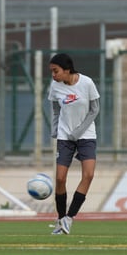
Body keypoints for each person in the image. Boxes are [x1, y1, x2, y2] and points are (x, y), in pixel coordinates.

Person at [47, 53, 100, 235]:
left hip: (86, 135)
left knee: (89, 175)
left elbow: (95, 110)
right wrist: (55, 130)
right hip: (64, 137)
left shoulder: (87, 83)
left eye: (56, 71)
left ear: (67, 70)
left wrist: (78, 132)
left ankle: (70, 217)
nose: (53, 75)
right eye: (52, 72)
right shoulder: (55, 86)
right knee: (60, 178)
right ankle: (61, 219)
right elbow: (55, 110)